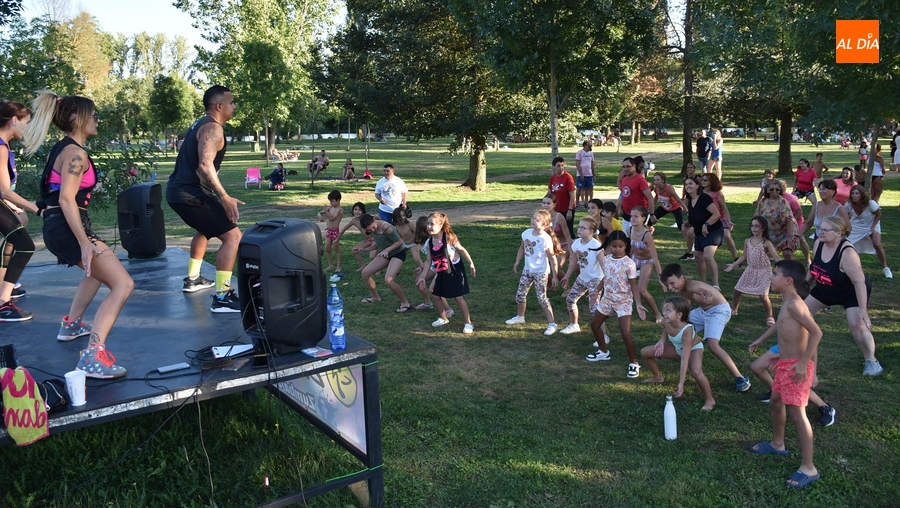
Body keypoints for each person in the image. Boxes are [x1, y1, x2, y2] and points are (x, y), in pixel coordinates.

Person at [24, 90, 133, 378]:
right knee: (123, 285)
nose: (97, 119)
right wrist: (85, 242)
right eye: (93, 115)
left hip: (61, 226)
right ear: (76, 118)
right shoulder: (75, 153)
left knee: (94, 273)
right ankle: (93, 356)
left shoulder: (65, 148)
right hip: (66, 226)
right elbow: (65, 199)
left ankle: (71, 324)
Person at [167, 86, 243, 314]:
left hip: (178, 191)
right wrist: (225, 197)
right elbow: (204, 165)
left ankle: (193, 279)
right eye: (231, 102)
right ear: (219, 106)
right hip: (190, 194)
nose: (234, 106)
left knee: (207, 229)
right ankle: (222, 296)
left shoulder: (200, 124)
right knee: (233, 236)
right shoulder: (213, 128)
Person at [749, 260, 822, 490]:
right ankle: (778, 443)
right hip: (786, 364)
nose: (772, 277)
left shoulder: (795, 305)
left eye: (775, 274)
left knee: (798, 414)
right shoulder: (787, 301)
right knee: (775, 400)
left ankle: (809, 468)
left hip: (796, 368)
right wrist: (779, 355)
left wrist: (802, 363)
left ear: (788, 281)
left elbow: (816, 333)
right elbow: (787, 331)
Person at [806, 216, 882, 375]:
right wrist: (803, 285)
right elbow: (815, 267)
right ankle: (796, 351)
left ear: (839, 233)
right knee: (799, 314)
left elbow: (859, 282)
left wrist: (864, 312)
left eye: (826, 230)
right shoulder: (819, 243)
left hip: (850, 293)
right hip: (825, 288)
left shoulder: (847, 253)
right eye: (820, 229)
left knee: (857, 324)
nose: (821, 232)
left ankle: (872, 361)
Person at [659, 263, 751, 392]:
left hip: (718, 311)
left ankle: (740, 378)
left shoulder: (692, 285)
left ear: (682, 278)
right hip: (703, 311)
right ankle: (683, 351)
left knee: (713, 345)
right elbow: (687, 305)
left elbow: (705, 292)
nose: (670, 287)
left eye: (672, 283)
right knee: (677, 323)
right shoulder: (683, 288)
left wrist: (708, 295)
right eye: (667, 284)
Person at [585, 231, 647, 378]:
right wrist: (597, 290)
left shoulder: (629, 264)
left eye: (620, 246)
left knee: (625, 333)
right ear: (609, 246)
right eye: (614, 246)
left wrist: (638, 304)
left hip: (623, 301)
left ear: (626, 246)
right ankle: (603, 352)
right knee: (594, 325)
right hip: (607, 299)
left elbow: (633, 285)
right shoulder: (606, 260)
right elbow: (606, 277)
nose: (617, 249)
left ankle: (633, 363)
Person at [640, 296, 715, 411]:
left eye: (668, 311)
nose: (664, 313)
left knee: (696, 371)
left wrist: (681, 383)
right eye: (664, 310)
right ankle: (657, 377)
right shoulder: (666, 321)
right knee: (645, 352)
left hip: (693, 349)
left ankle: (710, 399)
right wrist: (661, 341)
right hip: (677, 347)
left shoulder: (687, 330)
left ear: (679, 315)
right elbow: (666, 329)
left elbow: (685, 358)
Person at [0, 101, 38, 322]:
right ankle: (3, 302)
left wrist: (15, 207)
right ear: (14, 120)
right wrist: (35, 208)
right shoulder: (1, 147)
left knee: (13, 240)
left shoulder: (5, 145)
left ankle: (5, 290)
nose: (28, 128)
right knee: (25, 245)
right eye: (27, 122)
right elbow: (4, 191)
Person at [749, 335, 836, 427]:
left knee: (794, 385)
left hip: (798, 352)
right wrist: (760, 339)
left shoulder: (805, 320)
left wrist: (813, 373)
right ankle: (776, 391)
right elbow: (778, 324)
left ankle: (825, 407)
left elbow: (813, 340)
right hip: (783, 346)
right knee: (756, 367)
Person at [417, 212, 476, 333]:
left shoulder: (448, 237)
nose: (428, 226)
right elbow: (428, 261)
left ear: (440, 225)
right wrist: (423, 277)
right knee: (435, 294)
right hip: (441, 270)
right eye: (427, 223)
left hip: (454, 270)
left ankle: (468, 323)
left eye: (431, 224)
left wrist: (471, 263)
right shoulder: (429, 242)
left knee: (458, 297)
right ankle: (443, 318)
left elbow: (461, 249)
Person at [506, 209, 562, 336]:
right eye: (533, 218)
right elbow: (522, 248)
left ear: (545, 224)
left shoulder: (545, 239)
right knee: (520, 295)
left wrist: (554, 276)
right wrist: (517, 262)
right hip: (527, 270)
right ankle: (520, 316)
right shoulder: (526, 233)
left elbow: (552, 258)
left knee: (542, 298)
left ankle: (552, 324)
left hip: (541, 273)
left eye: (537, 220)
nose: (533, 221)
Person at [560, 216, 609, 342]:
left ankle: (604, 336)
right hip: (582, 278)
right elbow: (573, 262)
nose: (579, 229)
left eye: (583, 227)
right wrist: (567, 276)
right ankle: (574, 325)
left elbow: (604, 266)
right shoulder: (576, 243)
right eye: (579, 226)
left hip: (595, 280)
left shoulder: (596, 246)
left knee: (595, 309)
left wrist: (605, 284)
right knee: (570, 300)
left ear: (591, 232)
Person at [725, 217, 780, 326]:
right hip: (750, 270)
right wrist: (734, 265)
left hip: (764, 271)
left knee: (763, 296)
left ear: (763, 228)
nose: (754, 228)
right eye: (752, 225)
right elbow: (744, 256)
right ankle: (734, 309)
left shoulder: (766, 243)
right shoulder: (747, 241)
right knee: (737, 290)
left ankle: (770, 316)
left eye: (757, 226)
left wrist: (784, 267)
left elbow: (776, 257)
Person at [357, 214, 411, 311]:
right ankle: (375, 298)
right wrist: (365, 249)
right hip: (385, 254)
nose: (372, 230)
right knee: (365, 273)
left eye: (373, 227)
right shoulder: (371, 230)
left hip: (398, 253)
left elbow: (399, 241)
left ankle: (405, 303)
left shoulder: (386, 227)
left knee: (389, 280)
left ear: (374, 219)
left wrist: (387, 250)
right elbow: (378, 243)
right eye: (370, 230)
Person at [683, 175, 723, 289]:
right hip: (700, 232)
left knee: (708, 256)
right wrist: (684, 225)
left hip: (713, 230)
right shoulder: (690, 200)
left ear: (697, 185)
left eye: (690, 183)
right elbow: (694, 219)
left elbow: (716, 214)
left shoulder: (704, 198)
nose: (688, 186)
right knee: (699, 257)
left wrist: (707, 224)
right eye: (686, 184)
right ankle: (703, 283)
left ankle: (716, 285)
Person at [844, 185, 891, 278]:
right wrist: (847, 225)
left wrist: (873, 227)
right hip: (856, 225)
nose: (854, 195)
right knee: (846, 245)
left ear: (862, 194)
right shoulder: (849, 204)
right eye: (852, 193)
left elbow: (878, 214)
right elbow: (846, 215)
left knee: (877, 244)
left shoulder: (871, 203)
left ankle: (886, 268)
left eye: (857, 193)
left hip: (872, 223)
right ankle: (849, 268)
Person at [628, 207, 664, 323]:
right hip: (635, 258)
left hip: (647, 261)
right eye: (631, 216)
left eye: (636, 216)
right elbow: (632, 248)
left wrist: (660, 276)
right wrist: (627, 262)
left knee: (642, 290)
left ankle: (658, 314)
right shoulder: (630, 230)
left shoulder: (646, 234)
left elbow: (655, 256)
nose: (632, 218)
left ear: (643, 218)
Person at [754, 178, 797, 260]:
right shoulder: (762, 201)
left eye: (777, 189)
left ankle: (793, 270)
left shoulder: (783, 202)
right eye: (772, 189)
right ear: (767, 190)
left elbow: (789, 220)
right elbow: (757, 216)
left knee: (787, 252)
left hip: (785, 231)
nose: (775, 191)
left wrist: (789, 237)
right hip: (769, 233)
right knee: (763, 255)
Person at [799, 179, 850, 245]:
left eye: (824, 189)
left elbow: (848, 227)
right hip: (818, 240)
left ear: (833, 192)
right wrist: (799, 234)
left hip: (833, 243)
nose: (821, 191)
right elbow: (809, 223)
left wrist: (837, 238)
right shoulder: (816, 205)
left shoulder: (839, 209)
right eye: (820, 189)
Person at [701, 173, 739, 261]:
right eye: (702, 179)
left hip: (720, 219)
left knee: (727, 236)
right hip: (706, 220)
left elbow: (724, 208)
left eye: (705, 180)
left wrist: (729, 221)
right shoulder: (700, 193)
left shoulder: (717, 194)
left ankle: (736, 257)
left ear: (711, 182)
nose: (702, 181)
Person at [336, 202, 373, 271]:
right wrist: (337, 239)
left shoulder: (366, 218)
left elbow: (376, 219)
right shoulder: (354, 221)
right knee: (354, 250)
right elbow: (344, 229)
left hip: (375, 240)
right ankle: (363, 266)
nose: (357, 212)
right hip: (367, 240)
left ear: (363, 211)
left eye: (359, 210)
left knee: (372, 256)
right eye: (355, 209)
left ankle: (377, 270)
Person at [541, 193, 573, 269]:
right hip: (549, 246)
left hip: (563, 245)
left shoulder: (559, 217)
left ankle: (565, 280)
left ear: (554, 205)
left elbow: (568, 236)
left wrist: (572, 255)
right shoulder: (540, 216)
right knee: (543, 267)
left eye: (548, 203)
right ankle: (550, 281)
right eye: (544, 203)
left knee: (556, 266)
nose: (545, 205)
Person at [548, 156, 576, 238]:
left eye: (562, 165)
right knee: (556, 229)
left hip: (566, 209)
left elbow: (572, 195)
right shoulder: (553, 177)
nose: (561, 168)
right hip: (556, 208)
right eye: (558, 166)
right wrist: (546, 203)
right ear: (554, 167)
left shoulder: (568, 178)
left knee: (568, 230)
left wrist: (570, 210)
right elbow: (550, 192)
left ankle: (573, 247)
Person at [317, 189, 344, 274]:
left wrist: (325, 211)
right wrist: (320, 215)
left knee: (336, 248)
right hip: (329, 231)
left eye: (332, 201)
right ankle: (330, 265)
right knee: (327, 248)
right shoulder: (329, 208)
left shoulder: (340, 210)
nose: (330, 203)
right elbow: (319, 213)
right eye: (330, 201)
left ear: (338, 200)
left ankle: (339, 266)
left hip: (335, 231)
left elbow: (332, 218)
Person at [574, 140, 595, 208]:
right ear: (585, 145)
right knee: (579, 188)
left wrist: (593, 174)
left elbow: (592, 164)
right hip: (581, 174)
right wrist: (581, 174)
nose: (590, 147)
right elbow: (577, 164)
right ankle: (577, 202)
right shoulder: (579, 153)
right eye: (589, 146)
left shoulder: (591, 153)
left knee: (588, 188)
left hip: (589, 174)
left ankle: (587, 202)